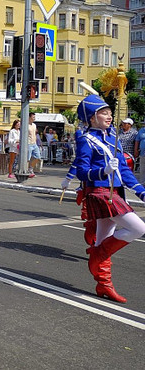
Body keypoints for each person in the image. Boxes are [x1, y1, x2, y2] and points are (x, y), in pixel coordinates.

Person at [73, 95, 145, 304]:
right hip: (101, 193)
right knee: (138, 228)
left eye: (109, 112)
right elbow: (82, 171)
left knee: (105, 238)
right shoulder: (86, 140)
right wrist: (102, 171)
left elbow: (124, 170)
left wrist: (140, 191)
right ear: (92, 118)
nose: (109, 116)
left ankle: (103, 284)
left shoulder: (112, 138)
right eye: (103, 112)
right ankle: (96, 255)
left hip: (115, 193)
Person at [27, 113, 41, 177]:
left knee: (38, 157)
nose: (34, 118)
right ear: (29, 117)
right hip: (28, 143)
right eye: (33, 117)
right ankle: (26, 170)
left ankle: (31, 168)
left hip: (34, 143)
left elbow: (34, 134)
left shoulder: (34, 125)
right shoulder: (26, 125)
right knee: (28, 158)